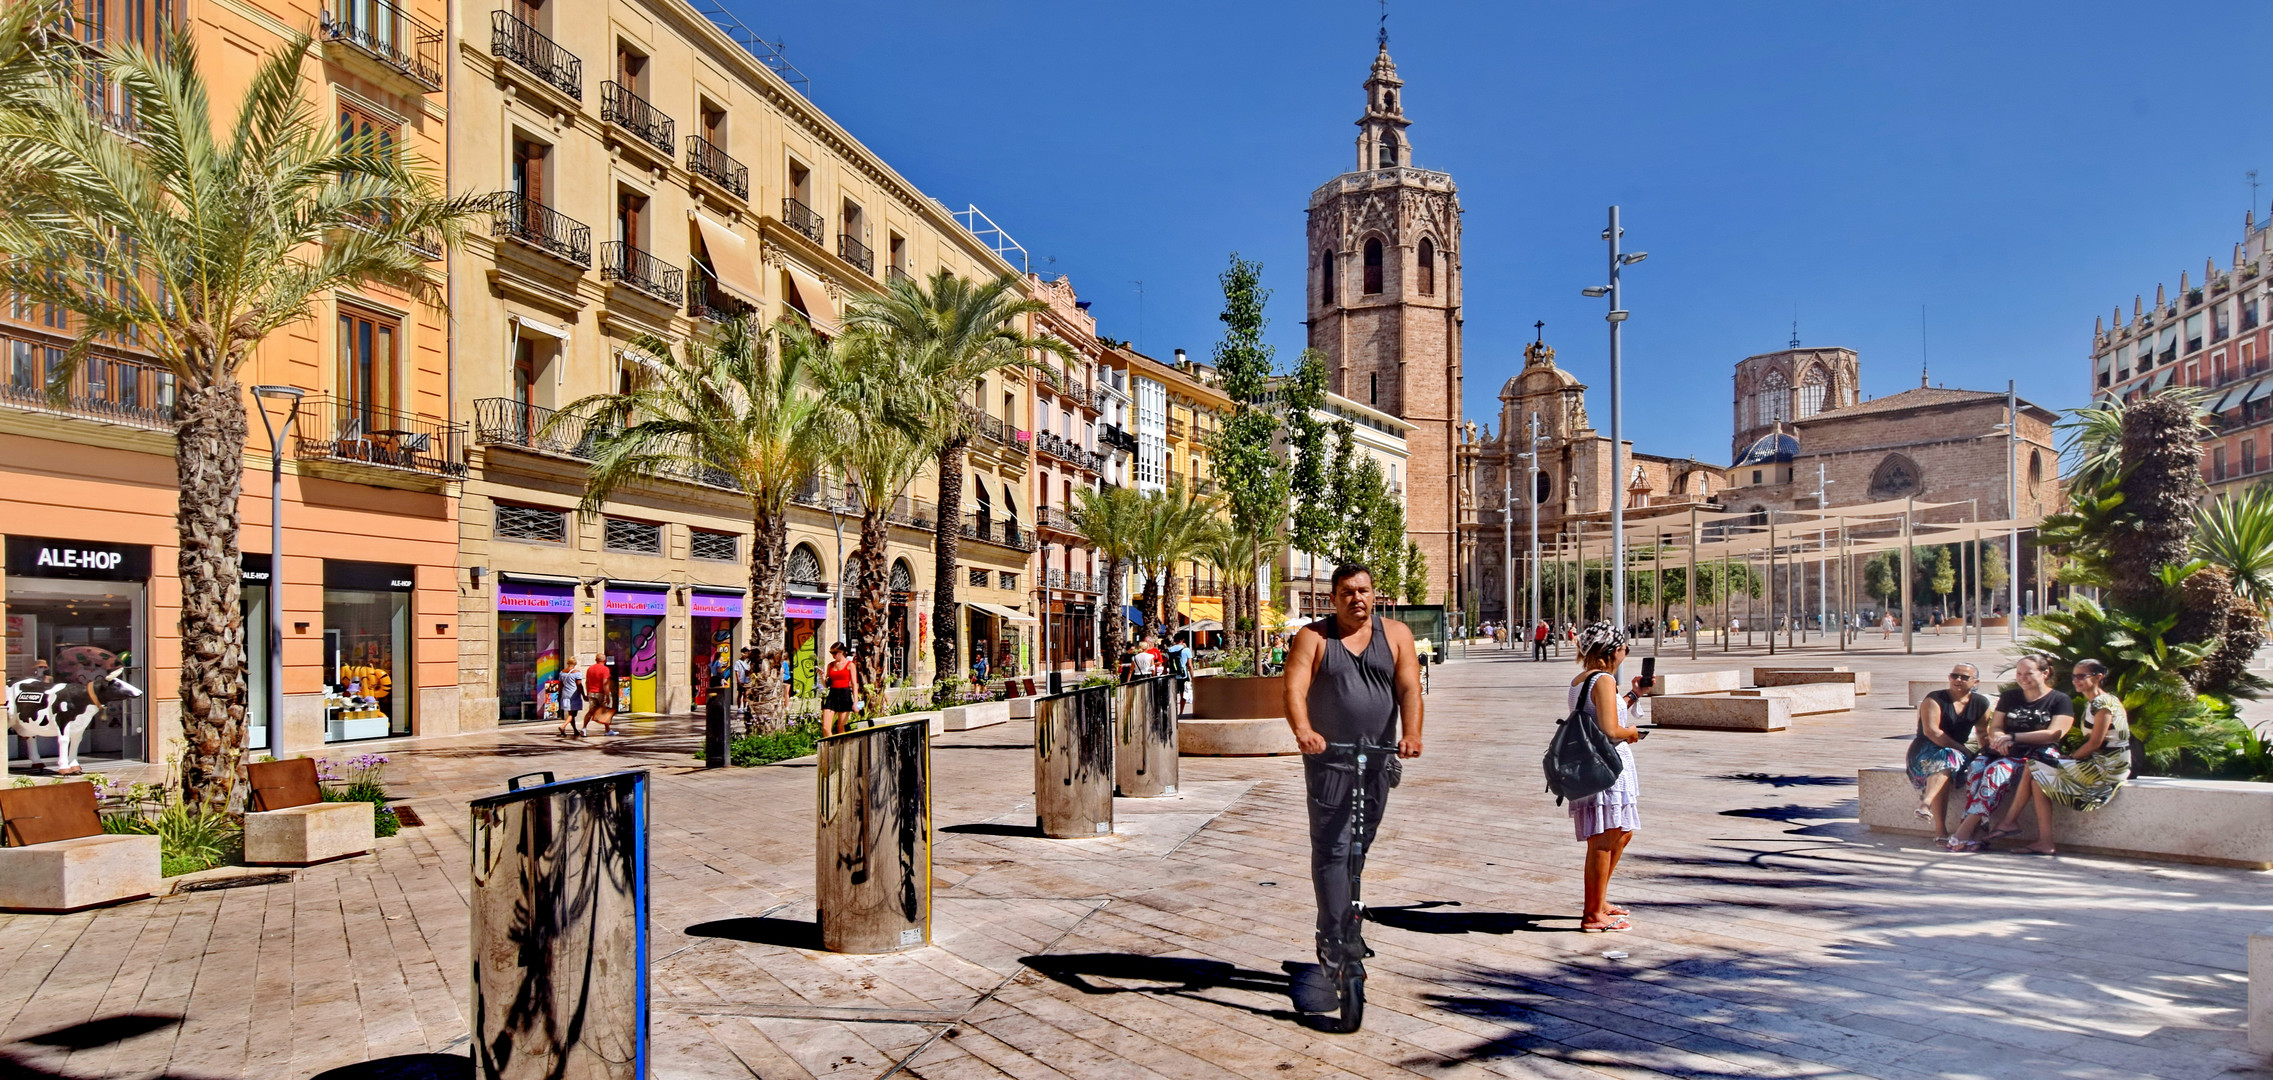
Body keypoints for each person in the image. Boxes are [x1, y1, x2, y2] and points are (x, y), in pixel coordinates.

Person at [1281, 563, 1423, 990]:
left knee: (1358, 847)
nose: (1356, 598)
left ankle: (1342, 925)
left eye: (1363, 590)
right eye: (1347, 592)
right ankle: (1335, 936)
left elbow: (1409, 689)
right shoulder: (1314, 638)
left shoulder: (1396, 635)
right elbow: (1293, 688)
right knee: (1332, 848)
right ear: (1333, 599)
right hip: (1331, 761)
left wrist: (1412, 733)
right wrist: (1304, 731)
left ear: (1373, 594)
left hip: (1378, 759)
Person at [1985, 659, 2130, 849]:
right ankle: (2045, 842)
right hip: (2100, 761)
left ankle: (2009, 821)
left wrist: (2070, 758)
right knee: (2038, 781)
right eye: (2073, 676)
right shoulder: (2097, 701)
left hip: (2107, 766)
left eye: (2081, 676)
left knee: (2032, 765)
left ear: (2098, 677)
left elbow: (2095, 743)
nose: (2075, 681)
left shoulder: (2102, 703)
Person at [1945, 656, 2074, 853]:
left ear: (2044, 673)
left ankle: (1966, 828)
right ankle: (1980, 830)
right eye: (2019, 674)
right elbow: (1995, 726)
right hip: (2003, 749)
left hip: (2036, 752)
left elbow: (2055, 733)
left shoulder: (2060, 700)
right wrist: (1999, 739)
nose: (2023, 678)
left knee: (1996, 772)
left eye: (2029, 673)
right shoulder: (2010, 697)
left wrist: (2013, 737)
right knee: (1976, 769)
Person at [1567, 622, 1646, 933]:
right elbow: (1611, 729)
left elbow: (1603, 714)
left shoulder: (1585, 679)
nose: (1626, 652)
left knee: (1621, 834)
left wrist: (1633, 695)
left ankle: (1598, 902)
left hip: (1601, 765)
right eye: (1625, 647)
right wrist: (1633, 733)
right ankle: (1592, 914)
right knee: (1604, 839)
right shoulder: (1602, 680)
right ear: (1612, 651)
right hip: (1605, 768)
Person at [1907, 663, 1989, 839]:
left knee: (1945, 764)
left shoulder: (1980, 703)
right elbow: (1932, 732)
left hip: (1952, 755)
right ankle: (1930, 812)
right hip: (1924, 751)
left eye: (1964, 677)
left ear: (1975, 682)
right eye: (1954, 676)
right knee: (1946, 759)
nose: (1958, 680)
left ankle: (1934, 820)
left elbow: (1983, 733)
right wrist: (1964, 751)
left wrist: (1987, 755)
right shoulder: (1935, 699)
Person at [819, 643, 859, 736]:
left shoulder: (850, 665)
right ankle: (830, 747)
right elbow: (826, 685)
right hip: (832, 694)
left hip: (844, 694)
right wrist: (821, 676)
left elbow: (854, 684)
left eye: (835, 652)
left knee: (841, 728)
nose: (833, 655)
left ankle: (842, 749)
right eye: (831, 652)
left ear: (841, 652)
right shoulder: (830, 665)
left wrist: (856, 702)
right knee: (825, 727)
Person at [582, 654, 621, 737]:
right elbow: (605, 683)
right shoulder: (605, 669)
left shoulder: (590, 669)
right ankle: (607, 730)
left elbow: (587, 682)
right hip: (601, 693)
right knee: (606, 711)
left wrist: (588, 692)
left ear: (596, 659)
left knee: (591, 711)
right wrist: (607, 695)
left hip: (592, 692)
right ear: (605, 660)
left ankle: (584, 728)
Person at [1166, 633, 1194, 715]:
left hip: (1172, 676)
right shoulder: (1186, 650)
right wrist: (1192, 676)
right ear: (1183, 640)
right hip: (1183, 675)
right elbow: (1189, 665)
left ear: (1174, 640)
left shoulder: (1169, 650)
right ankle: (1181, 711)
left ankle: (1173, 711)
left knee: (1173, 695)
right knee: (1183, 694)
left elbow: (1165, 664)